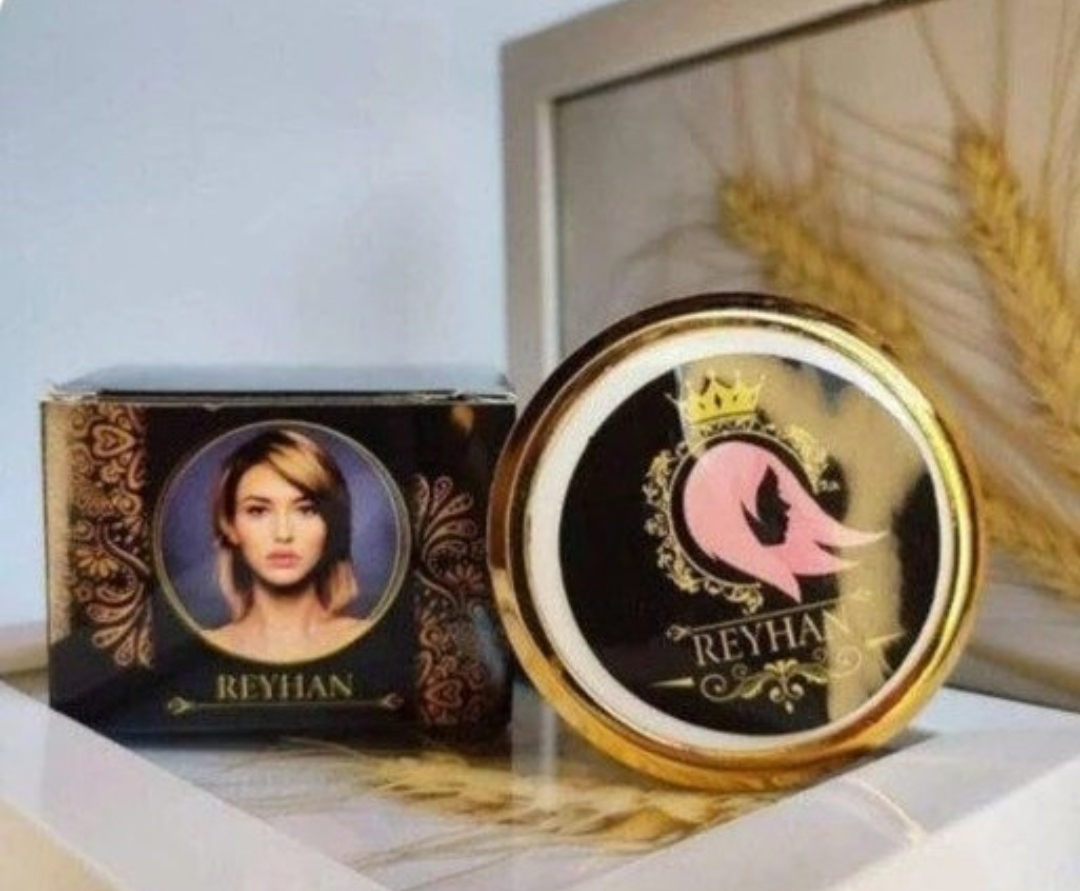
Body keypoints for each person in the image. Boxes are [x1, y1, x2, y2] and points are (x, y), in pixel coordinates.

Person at [204, 428, 368, 662]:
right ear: (229, 526)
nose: (283, 534)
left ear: (332, 524)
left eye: (306, 510)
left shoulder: (375, 641)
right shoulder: (201, 651)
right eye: (258, 511)